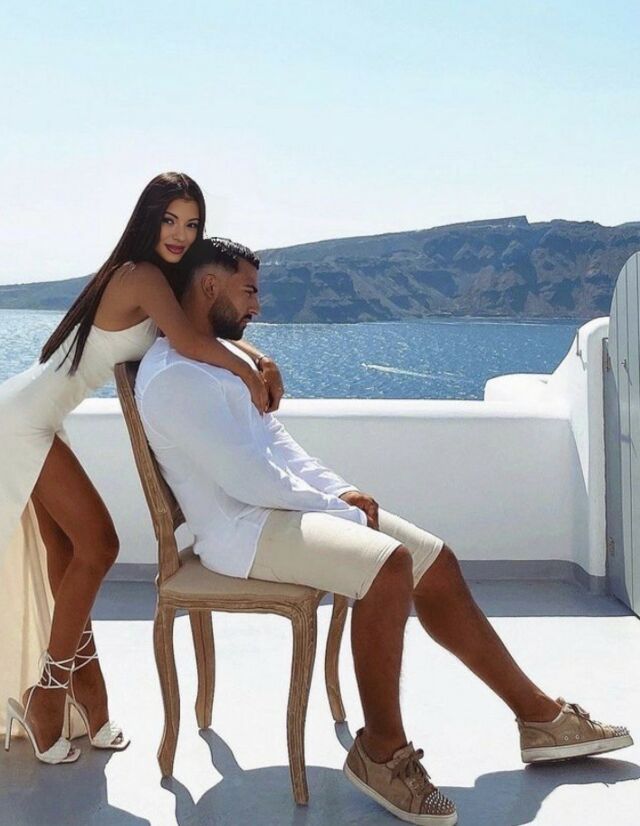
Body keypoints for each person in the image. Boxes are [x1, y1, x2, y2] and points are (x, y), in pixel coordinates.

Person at [135, 237, 632, 826]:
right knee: (389, 565)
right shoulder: (175, 378)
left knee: (435, 561)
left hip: (280, 508)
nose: (257, 307)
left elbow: (275, 445)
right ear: (209, 286)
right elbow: (246, 479)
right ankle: (380, 753)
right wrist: (334, 507)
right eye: (248, 292)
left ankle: (539, 718)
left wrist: (341, 492)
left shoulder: (218, 359)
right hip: (241, 530)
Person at [1, 174, 285, 765]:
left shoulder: (155, 280)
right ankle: (46, 697)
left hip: (34, 416)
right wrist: (250, 370)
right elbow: (190, 343)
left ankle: (89, 699)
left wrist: (261, 355)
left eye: (192, 224)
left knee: (68, 555)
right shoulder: (140, 276)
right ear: (149, 219)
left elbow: (200, 332)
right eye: (170, 220)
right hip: (21, 421)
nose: (180, 234)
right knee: (99, 545)